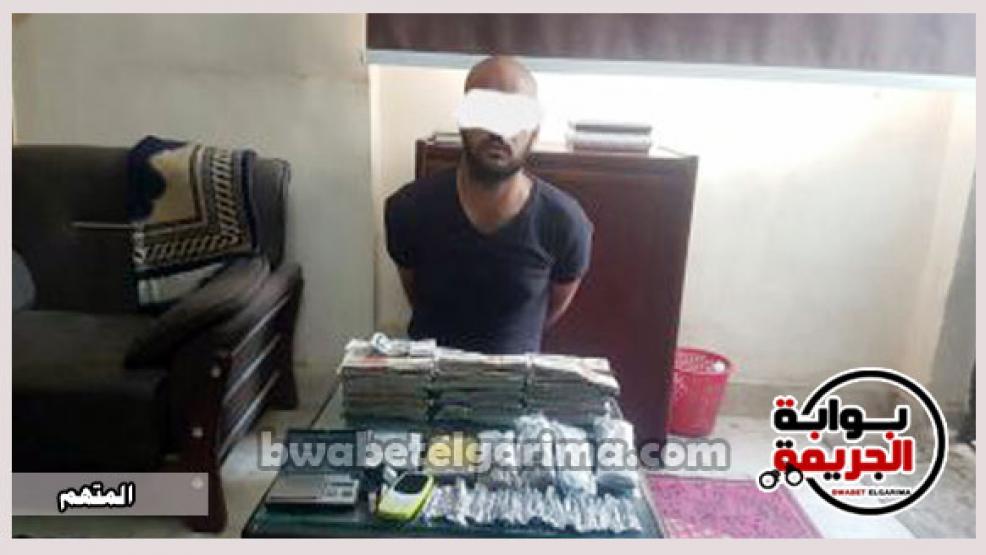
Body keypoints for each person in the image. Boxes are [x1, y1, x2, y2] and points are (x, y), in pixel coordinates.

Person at [384, 56, 593, 354]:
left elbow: (552, 310)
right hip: (430, 375)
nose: (499, 131)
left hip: (518, 380)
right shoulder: (408, 209)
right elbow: (415, 295)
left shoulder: (565, 222)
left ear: (534, 131)